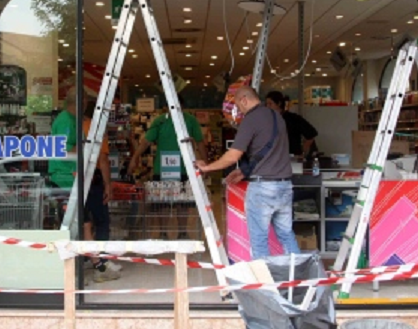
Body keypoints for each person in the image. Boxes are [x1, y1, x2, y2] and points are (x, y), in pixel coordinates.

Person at [195, 86, 300, 259]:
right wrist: (244, 172)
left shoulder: (251, 119)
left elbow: (233, 155)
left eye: (238, 106)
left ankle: (264, 276)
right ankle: (298, 273)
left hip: (263, 188)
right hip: (285, 185)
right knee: (286, 235)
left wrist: (207, 167)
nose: (239, 111)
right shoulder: (277, 116)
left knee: (259, 240)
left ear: (244, 100)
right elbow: (267, 152)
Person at [49, 88, 121, 282]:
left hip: (74, 178)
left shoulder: (74, 121)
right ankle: (97, 266)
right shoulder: (66, 121)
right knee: (82, 223)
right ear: (81, 102)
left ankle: (95, 266)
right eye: (86, 101)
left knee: (83, 223)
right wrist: (88, 147)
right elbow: (63, 149)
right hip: (65, 178)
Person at [128, 100, 207, 239]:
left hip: (184, 168)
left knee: (183, 203)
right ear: (166, 107)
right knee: (162, 203)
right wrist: (135, 157)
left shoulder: (190, 120)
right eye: (171, 106)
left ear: (182, 106)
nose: (174, 109)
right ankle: (163, 232)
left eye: (177, 106)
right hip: (162, 169)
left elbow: (200, 142)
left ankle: (183, 232)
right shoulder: (160, 121)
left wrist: (205, 164)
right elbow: (146, 141)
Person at [265, 91, 319, 163]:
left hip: (292, 157)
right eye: (266, 104)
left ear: (279, 103)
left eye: (270, 104)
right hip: (273, 158)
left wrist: (303, 153)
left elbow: (311, 134)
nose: (267, 106)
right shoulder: (268, 120)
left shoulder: (293, 118)